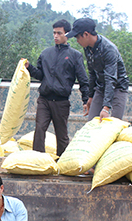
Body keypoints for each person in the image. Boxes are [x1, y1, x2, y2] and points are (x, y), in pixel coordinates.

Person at [25, 19, 89, 157]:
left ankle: (62, 162)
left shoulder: (75, 56)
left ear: (67, 34)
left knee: (61, 135)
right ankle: (37, 159)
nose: (55, 36)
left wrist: (86, 100)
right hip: (44, 100)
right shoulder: (45, 54)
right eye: (54, 33)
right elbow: (41, 75)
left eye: (59, 33)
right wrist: (29, 68)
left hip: (61, 102)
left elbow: (83, 79)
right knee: (40, 129)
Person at [66, 17, 129, 121]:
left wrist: (106, 108)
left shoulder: (108, 50)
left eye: (77, 37)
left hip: (118, 87)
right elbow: (92, 73)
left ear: (86, 34)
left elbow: (111, 79)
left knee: (114, 123)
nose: (77, 41)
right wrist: (90, 97)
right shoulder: (87, 48)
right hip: (101, 87)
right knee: (92, 120)